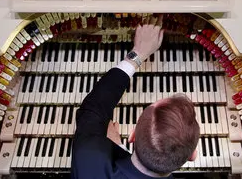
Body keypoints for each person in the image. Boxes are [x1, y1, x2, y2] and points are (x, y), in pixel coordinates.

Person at [71, 17, 201, 178]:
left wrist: (138, 54)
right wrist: (118, 146)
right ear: (193, 156)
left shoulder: (89, 158)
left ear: (132, 135)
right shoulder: (90, 158)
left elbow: (91, 110)